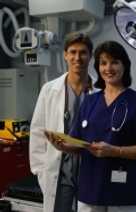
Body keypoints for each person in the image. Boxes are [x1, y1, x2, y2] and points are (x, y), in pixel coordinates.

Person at [67, 41, 136, 212]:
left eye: (114, 62)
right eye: (103, 63)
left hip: (125, 191)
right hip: (91, 189)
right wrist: (62, 144)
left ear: (124, 65)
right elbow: (78, 144)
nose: (108, 68)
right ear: (98, 67)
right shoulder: (90, 101)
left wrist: (115, 151)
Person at [29, 32, 93, 212]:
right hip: (59, 173)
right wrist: (40, 171)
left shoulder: (100, 91)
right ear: (65, 55)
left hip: (89, 172)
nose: (77, 58)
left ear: (90, 55)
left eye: (83, 52)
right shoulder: (49, 90)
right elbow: (37, 131)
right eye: (72, 52)